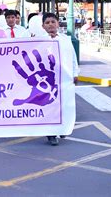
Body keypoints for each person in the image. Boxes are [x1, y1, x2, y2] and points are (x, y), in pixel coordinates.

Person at [40, 12, 79, 146]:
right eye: (47, 22)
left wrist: (75, 73)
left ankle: (63, 128)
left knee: (64, 105)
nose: (50, 24)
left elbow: (73, 58)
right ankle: (50, 134)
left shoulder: (65, 40)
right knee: (50, 105)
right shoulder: (39, 41)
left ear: (58, 23)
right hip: (48, 80)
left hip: (64, 78)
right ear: (43, 26)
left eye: (53, 22)